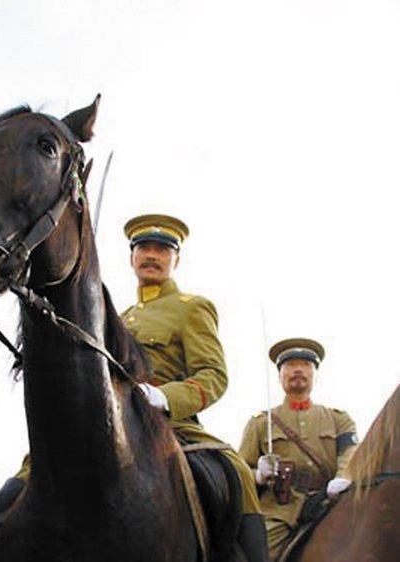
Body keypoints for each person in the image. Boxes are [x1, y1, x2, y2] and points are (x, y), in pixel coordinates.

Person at [121, 214, 269, 562]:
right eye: (144, 248)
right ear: (132, 257)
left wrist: (163, 397)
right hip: (113, 419)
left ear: (176, 259)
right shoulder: (116, 316)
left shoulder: (191, 308)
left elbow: (213, 375)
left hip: (170, 424)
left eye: (162, 249)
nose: (152, 255)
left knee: (238, 471)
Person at [239, 338, 358, 561]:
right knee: (256, 553)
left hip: (329, 501)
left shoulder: (338, 419)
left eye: (305, 365)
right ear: (280, 374)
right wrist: (258, 474)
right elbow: (241, 468)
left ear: (314, 373)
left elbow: (350, 453)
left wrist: (342, 478)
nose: (298, 370)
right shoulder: (260, 422)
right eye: (291, 365)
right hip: (280, 510)